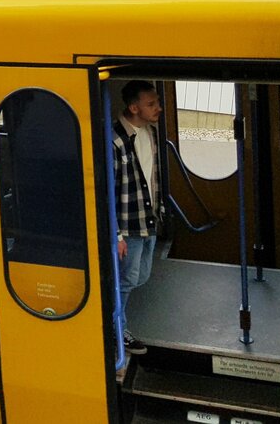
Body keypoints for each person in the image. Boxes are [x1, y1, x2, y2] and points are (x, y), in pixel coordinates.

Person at [113, 80, 163, 356]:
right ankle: (117, 331)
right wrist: (116, 234)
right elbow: (108, 190)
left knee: (140, 276)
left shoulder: (149, 133)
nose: (159, 108)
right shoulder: (115, 140)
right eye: (151, 104)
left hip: (147, 218)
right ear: (134, 108)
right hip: (128, 223)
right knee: (126, 280)